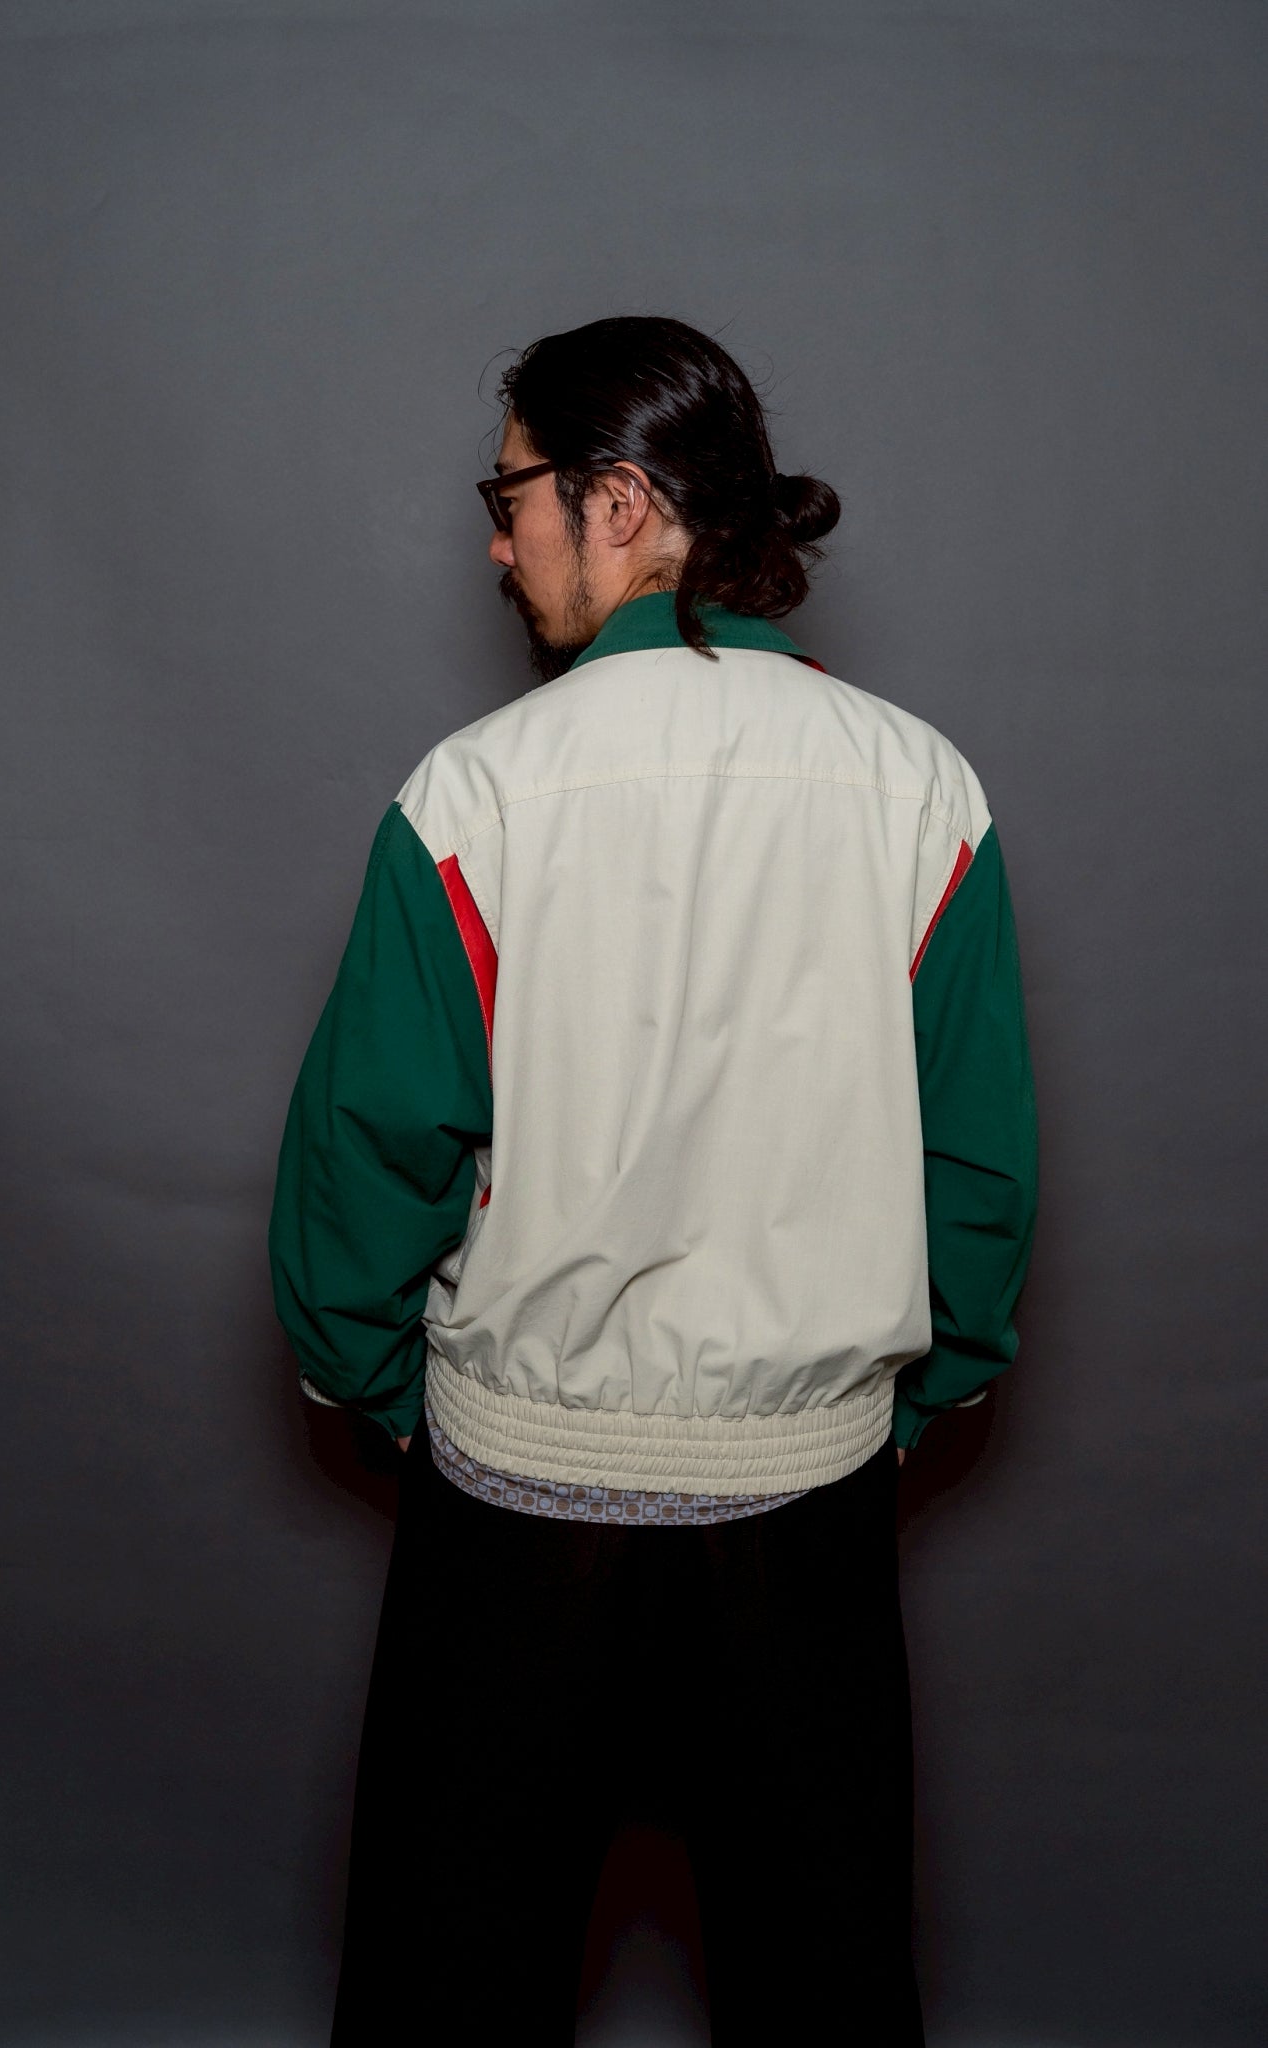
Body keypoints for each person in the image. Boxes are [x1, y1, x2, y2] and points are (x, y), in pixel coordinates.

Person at [268, 314, 1040, 2044]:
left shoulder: (478, 793)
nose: (496, 542)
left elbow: (369, 1157)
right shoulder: (920, 787)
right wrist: (903, 1398)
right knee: (823, 1985)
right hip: (806, 1494)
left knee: (448, 1987)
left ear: (615, 500)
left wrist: (393, 1393)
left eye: (510, 494)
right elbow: (976, 1170)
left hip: (511, 1503)